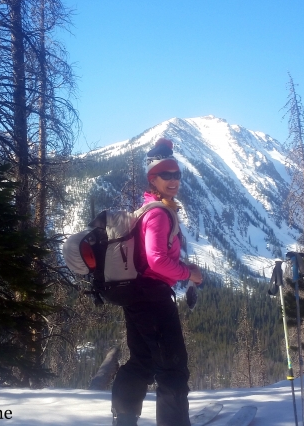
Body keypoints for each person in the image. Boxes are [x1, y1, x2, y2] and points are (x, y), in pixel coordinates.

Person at [111, 138, 204, 426]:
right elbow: (156, 260)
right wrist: (189, 273)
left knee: (142, 361)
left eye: (177, 174)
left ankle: (124, 420)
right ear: (153, 178)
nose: (173, 180)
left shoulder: (152, 208)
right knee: (172, 369)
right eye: (166, 175)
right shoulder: (159, 215)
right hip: (152, 298)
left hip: (137, 295)